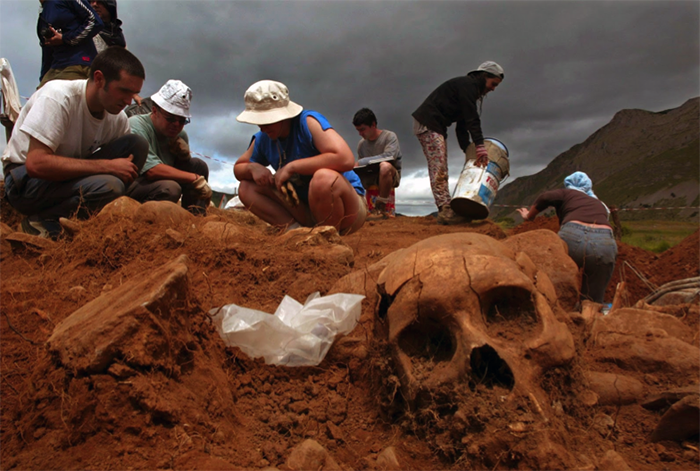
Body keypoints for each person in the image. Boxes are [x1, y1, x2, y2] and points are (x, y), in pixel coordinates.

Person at [2, 46, 148, 238]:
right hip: (25, 182)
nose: (129, 101)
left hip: (66, 177)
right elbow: (36, 164)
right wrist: (107, 166)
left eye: (134, 93)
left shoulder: (117, 118)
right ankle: (42, 221)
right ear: (99, 79)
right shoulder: (58, 97)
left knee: (136, 145)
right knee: (109, 184)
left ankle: (89, 217)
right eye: (123, 91)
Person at [234, 80, 367, 235]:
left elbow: (345, 159)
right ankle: (296, 233)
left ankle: (329, 240)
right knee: (246, 187)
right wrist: (252, 168)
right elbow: (239, 168)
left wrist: (292, 167)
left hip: (346, 208)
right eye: (258, 121)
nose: (262, 127)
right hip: (305, 208)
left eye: (266, 120)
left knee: (323, 179)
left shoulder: (307, 122)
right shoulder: (264, 137)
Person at [412, 61, 504, 225]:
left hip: (435, 125)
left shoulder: (468, 90)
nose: (493, 88)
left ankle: (446, 207)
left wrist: (467, 150)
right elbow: (472, 119)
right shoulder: (467, 86)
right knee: (439, 167)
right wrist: (480, 146)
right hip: (428, 122)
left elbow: (462, 126)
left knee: (441, 165)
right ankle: (445, 210)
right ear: (484, 77)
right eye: (493, 84)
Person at [517, 172, 617, 304]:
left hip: (573, 234)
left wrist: (529, 216)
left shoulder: (567, 193)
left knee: (557, 286)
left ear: (569, 185)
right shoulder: (599, 203)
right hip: (604, 242)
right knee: (593, 300)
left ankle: (553, 307)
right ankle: (589, 315)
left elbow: (546, 197)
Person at [127, 80, 212, 215]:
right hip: (136, 182)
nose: (176, 125)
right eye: (171, 119)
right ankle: (143, 218)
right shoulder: (137, 124)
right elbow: (151, 170)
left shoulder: (180, 135)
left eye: (182, 120)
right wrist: (195, 178)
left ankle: (195, 217)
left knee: (199, 166)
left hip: (161, 181)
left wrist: (184, 158)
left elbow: (183, 170)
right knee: (170, 188)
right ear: (155, 111)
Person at [38, 0, 104, 87]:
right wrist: (43, 81)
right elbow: (47, 53)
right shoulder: (43, 17)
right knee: (37, 98)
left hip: (78, 63)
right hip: (55, 68)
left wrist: (65, 38)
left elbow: (95, 21)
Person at [352, 108, 402, 217]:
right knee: (350, 173)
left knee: (384, 166)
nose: (360, 133)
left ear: (373, 125)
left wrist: (361, 162)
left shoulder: (389, 136)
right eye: (358, 130)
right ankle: (357, 209)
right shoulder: (361, 145)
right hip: (369, 177)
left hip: (389, 175)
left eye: (363, 129)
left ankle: (381, 206)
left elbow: (390, 156)